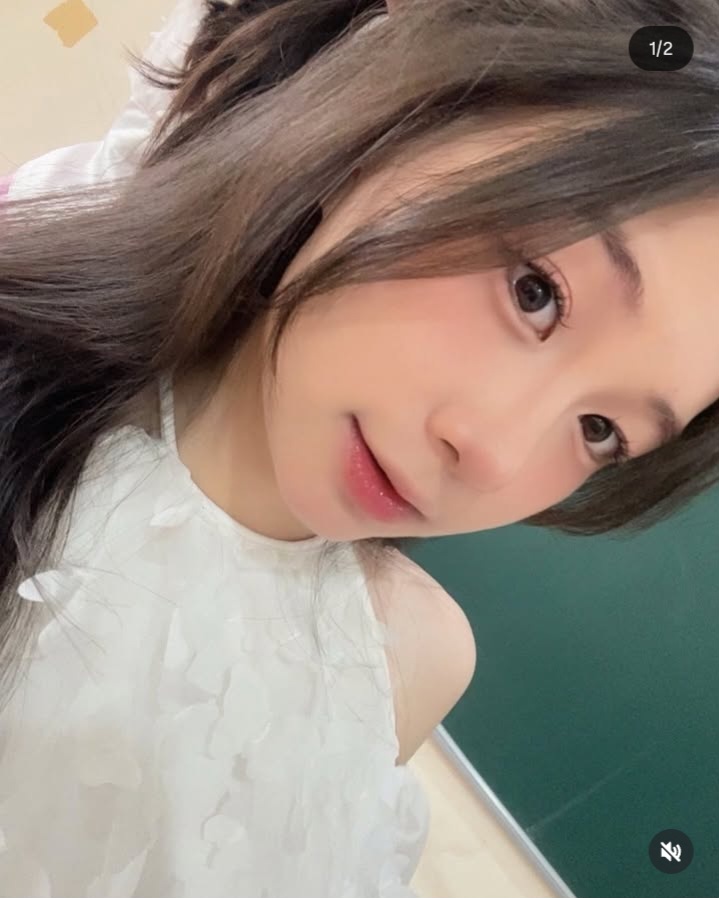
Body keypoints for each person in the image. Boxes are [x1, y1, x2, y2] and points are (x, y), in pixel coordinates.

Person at [0, 0, 718, 894]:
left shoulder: (407, 663)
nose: (491, 453)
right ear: (407, 106)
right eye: (535, 292)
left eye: (599, 431)